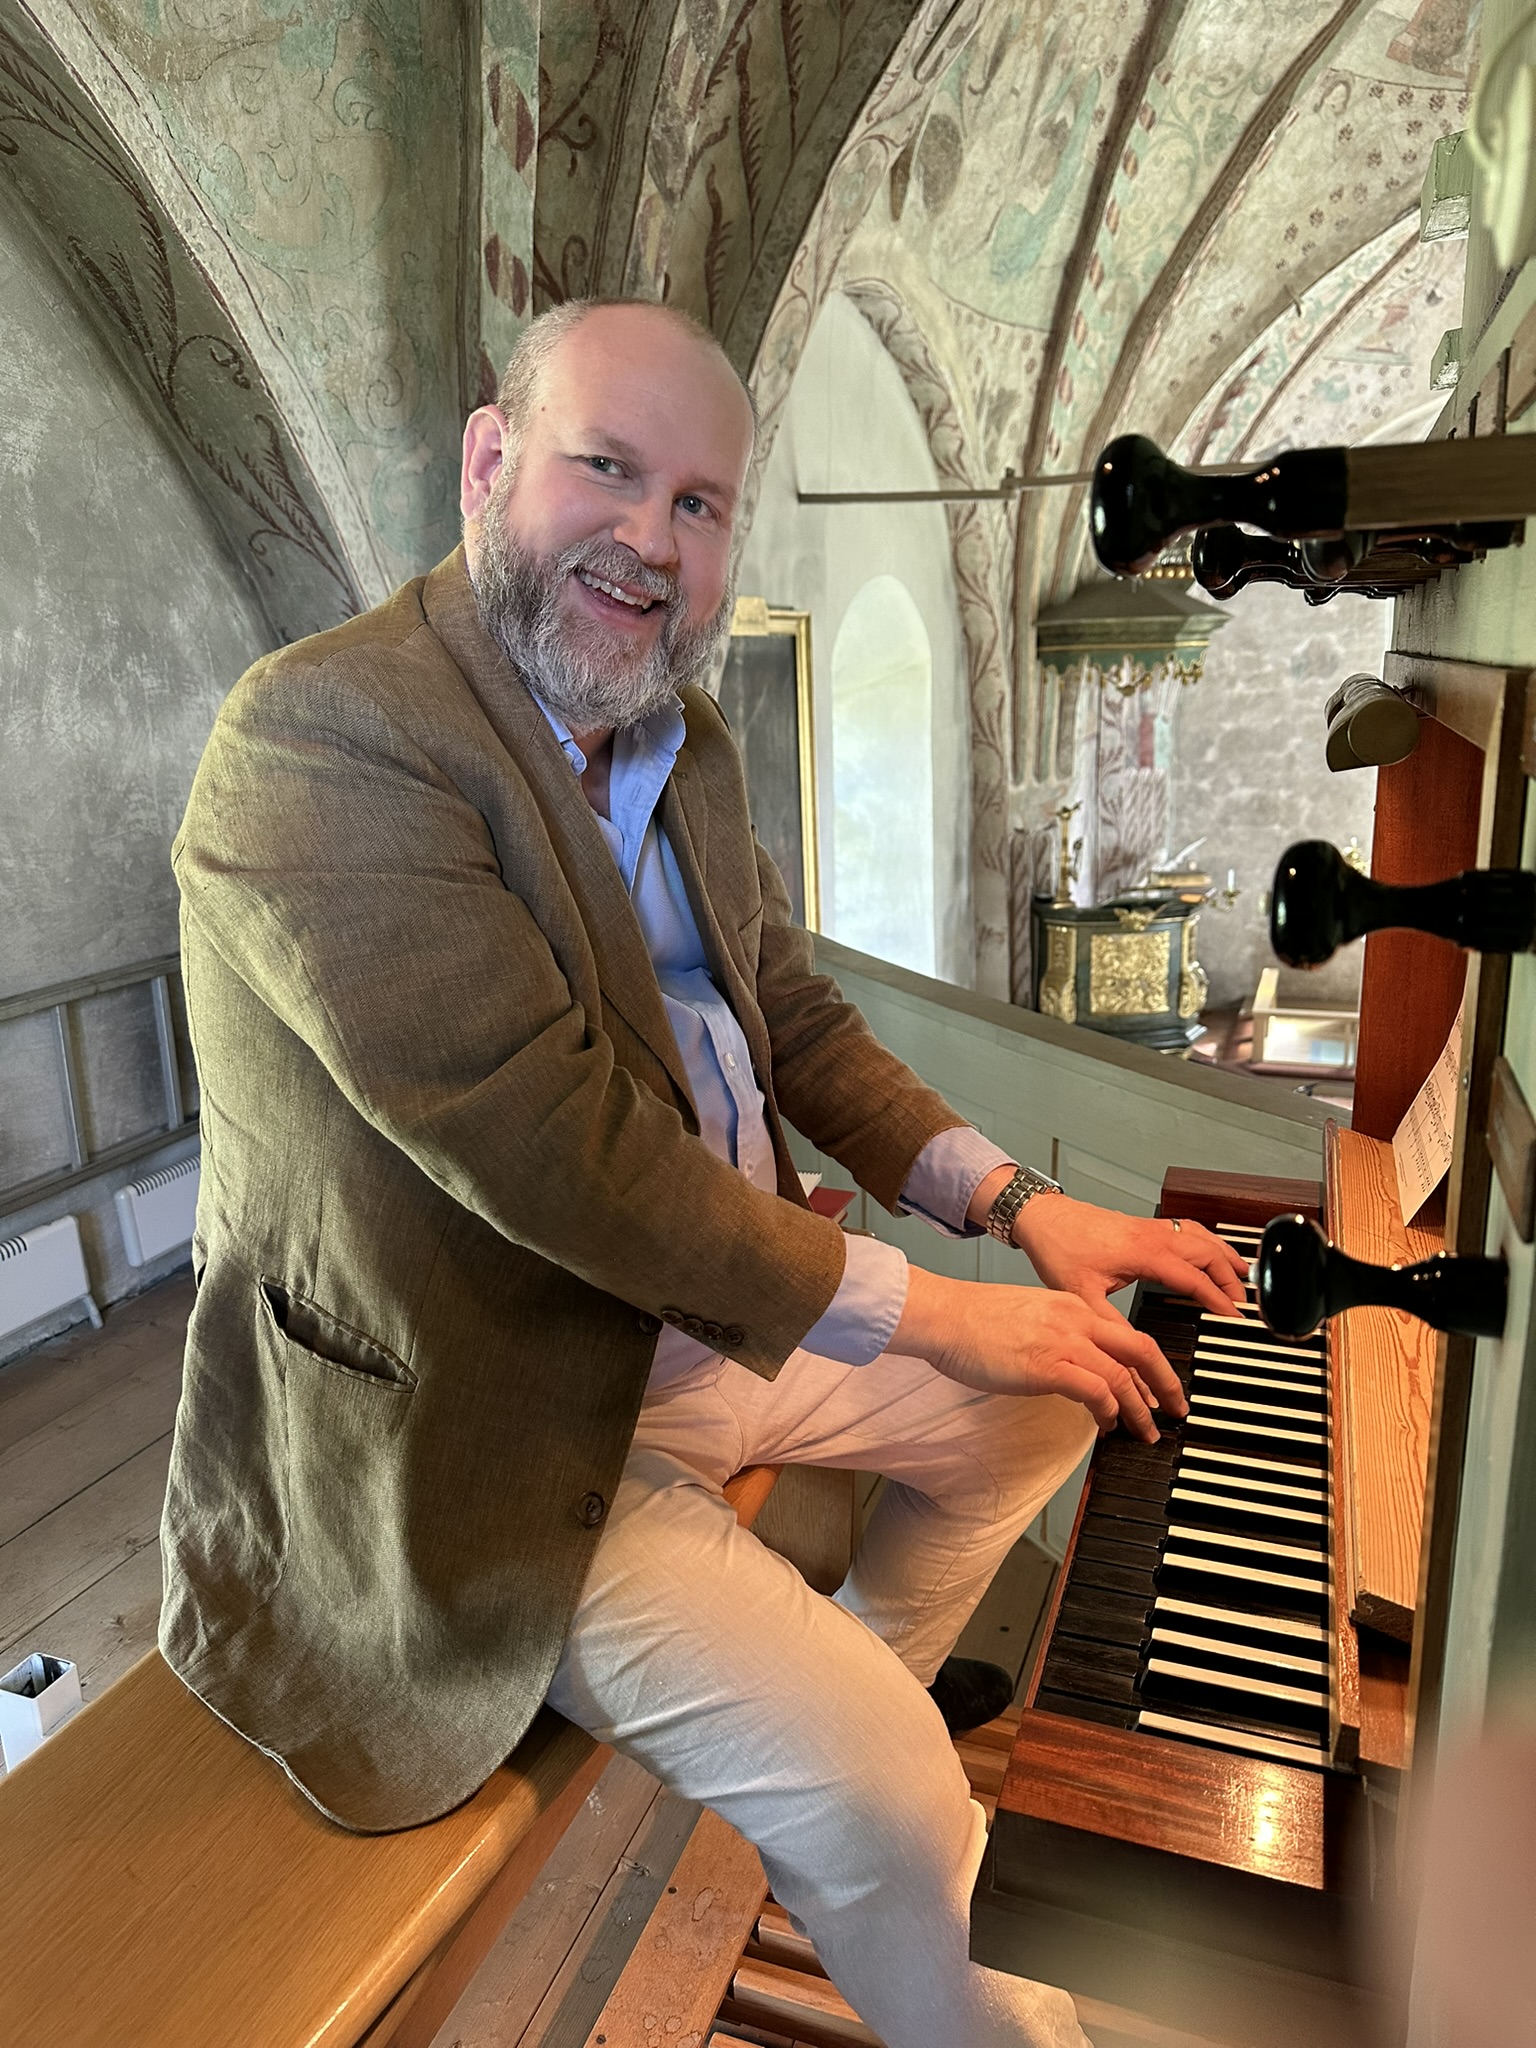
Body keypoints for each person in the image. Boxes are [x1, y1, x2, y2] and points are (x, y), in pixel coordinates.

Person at [162, 297, 1247, 2048]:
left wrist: (1023, 1211)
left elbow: (793, 1016)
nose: (651, 540)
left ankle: (831, 1742)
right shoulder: (323, 742)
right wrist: (935, 1323)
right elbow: (558, 1151)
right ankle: (898, 1859)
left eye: (700, 502)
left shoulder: (688, 742)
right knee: (901, 1796)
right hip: (497, 1437)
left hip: (729, 1339)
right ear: (490, 462)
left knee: (1079, 1402)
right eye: (607, 468)